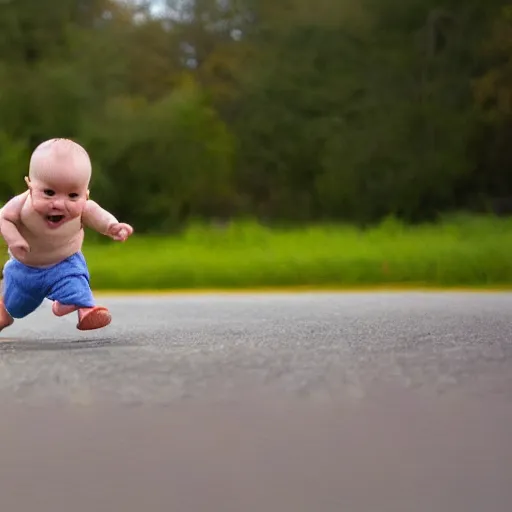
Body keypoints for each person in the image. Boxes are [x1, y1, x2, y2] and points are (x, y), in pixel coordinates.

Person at [0, 138, 134, 333]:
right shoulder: (21, 205)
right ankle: (4, 313)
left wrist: (113, 226)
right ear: (30, 186)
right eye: (49, 192)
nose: (59, 204)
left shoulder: (84, 209)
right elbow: (4, 218)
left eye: (73, 196)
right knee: (14, 303)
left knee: (77, 284)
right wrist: (14, 239)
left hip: (65, 264)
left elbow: (99, 216)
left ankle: (86, 311)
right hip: (24, 269)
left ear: (85, 194)